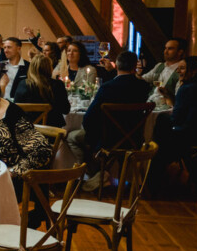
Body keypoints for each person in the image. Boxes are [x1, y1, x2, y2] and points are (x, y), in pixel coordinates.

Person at [65, 50, 153, 190]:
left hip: (107, 139)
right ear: (134, 67)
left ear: (116, 66)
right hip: (134, 138)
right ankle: (100, 174)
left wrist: (92, 137)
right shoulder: (143, 87)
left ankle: (93, 175)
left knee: (72, 137)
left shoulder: (108, 87)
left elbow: (88, 118)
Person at [150, 55, 197, 189]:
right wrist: (170, 96)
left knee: (161, 126)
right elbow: (191, 110)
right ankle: (193, 171)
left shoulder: (186, 88)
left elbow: (176, 119)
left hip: (190, 137)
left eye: (182, 68)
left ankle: (152, 182)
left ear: (193, 71)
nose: (178, 71)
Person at [12, 53, 70, 127]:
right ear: (50, 68)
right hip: (53, 130)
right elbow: (66, 110)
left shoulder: (23, 85)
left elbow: (16, 109)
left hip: (28, 130)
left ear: (31, 68)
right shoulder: (58, 85)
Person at [141, 37, 187, 103]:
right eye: (165, 48)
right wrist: (135, 73)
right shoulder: (159, 66)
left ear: (180, 52)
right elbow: (144, 79)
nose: (165, 51)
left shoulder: (181, 71)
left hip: (167, 107)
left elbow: (179, 98)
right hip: (150, 103)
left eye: (170, 49)